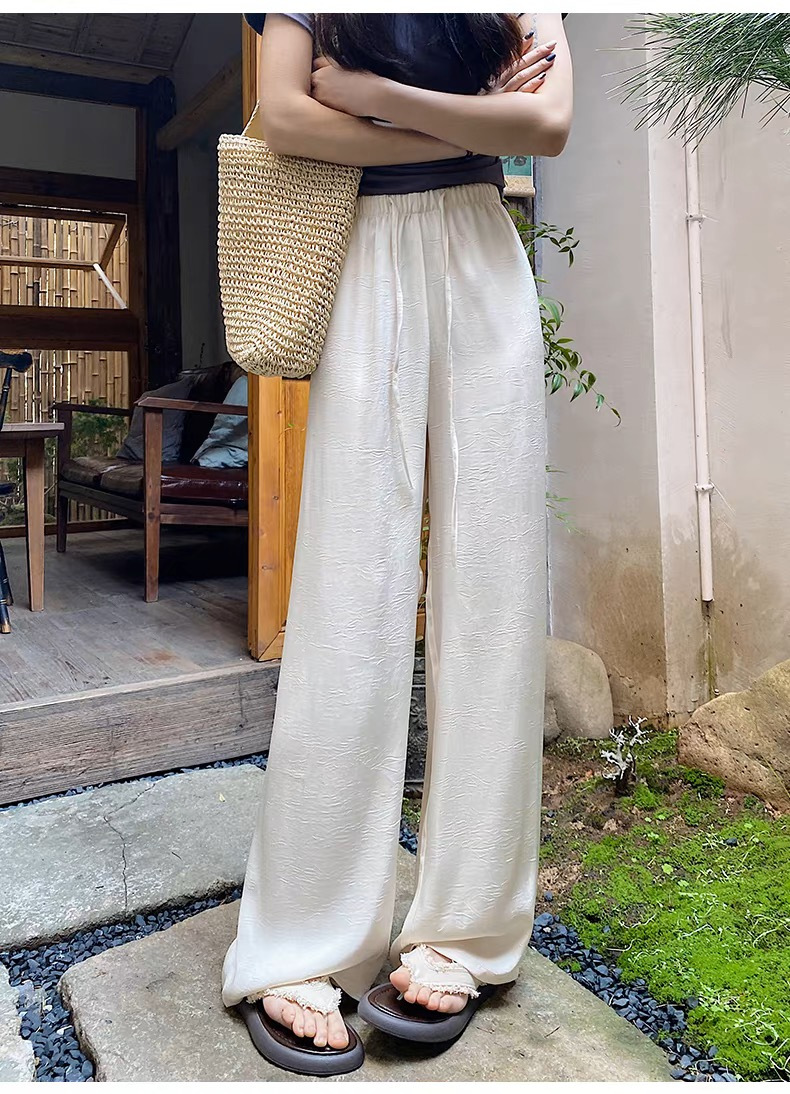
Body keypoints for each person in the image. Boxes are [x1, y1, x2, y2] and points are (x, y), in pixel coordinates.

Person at [222, 13, 573, 1076]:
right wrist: (470, 121)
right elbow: (287, 116)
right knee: (348, 589)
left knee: (494, 590)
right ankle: (305, 937)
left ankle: (465, 930)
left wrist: (373, 100)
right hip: (363, 253)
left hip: (482, 254)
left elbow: (547, 125)